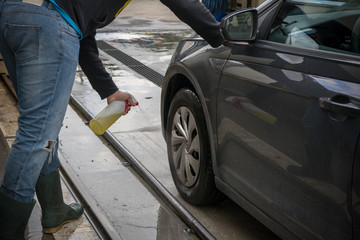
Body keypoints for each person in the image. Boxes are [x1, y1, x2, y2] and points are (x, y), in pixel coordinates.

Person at [0, 0, 225, 239]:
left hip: (14, 16)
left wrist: (110, 91)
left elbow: (82, 31)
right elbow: (184, 3)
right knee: (37, 134)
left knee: (41, 125)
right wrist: (223, 39)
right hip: (48, 23)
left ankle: (55, 210)